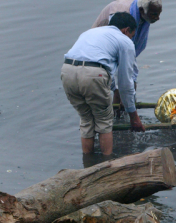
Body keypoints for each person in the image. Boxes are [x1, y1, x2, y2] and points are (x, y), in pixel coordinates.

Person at [61, 12, 145, 156]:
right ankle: (107, 167)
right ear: (126, 30)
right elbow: (125, 83)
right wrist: (134, 117)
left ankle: (88, 165)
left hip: (67, 71)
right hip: (93, 74)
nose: (131, 39)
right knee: (104, 123)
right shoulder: (124, 41)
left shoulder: (91, 32)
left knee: (87, 121)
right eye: (132, 35)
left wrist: (111, 89)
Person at [92, 0, 163, 109]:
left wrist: (130, 86)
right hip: (98, 55)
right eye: (154, 14)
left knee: (128, 92)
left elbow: (131, 55)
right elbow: (120, 54)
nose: (158, 18)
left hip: (118, 49)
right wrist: (118, 90)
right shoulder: (121, 16)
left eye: (159, 13)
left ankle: (124, 111)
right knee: (110, 99)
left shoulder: (146, 3)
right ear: (141, 11)